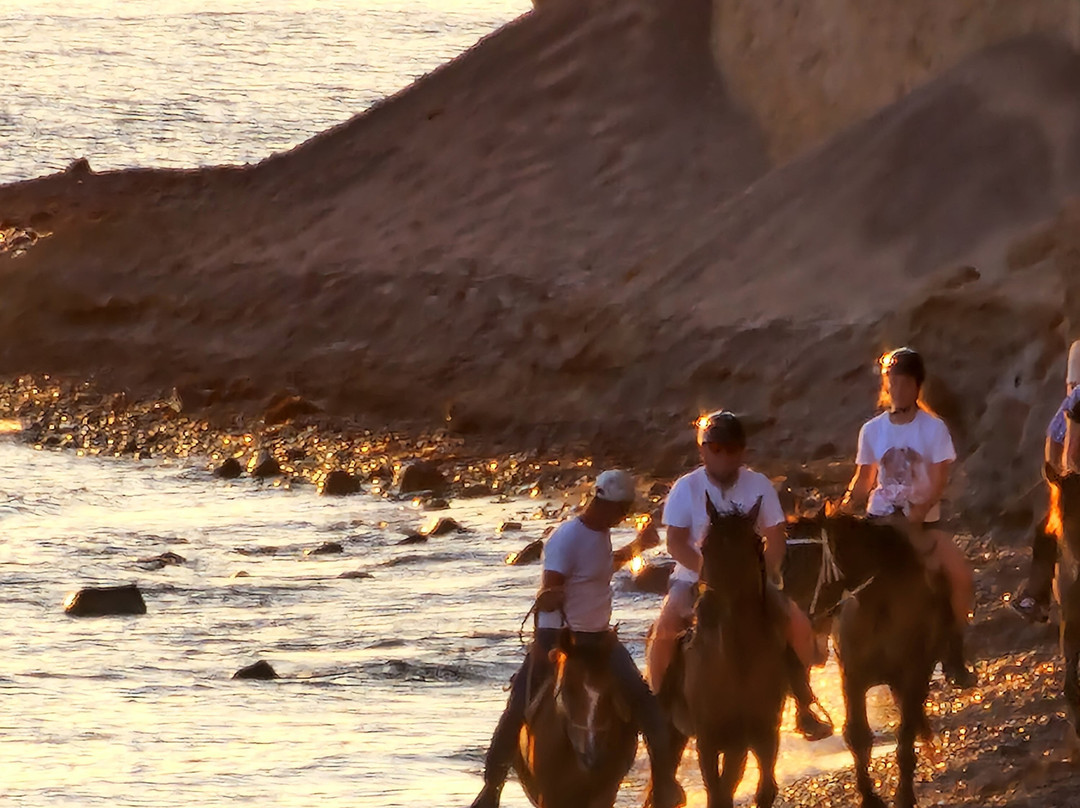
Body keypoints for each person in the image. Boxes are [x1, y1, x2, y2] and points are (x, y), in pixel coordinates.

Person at [469, 470, 686, 808]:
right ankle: (491, 789)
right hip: (560, 636)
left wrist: (638, 547)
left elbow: (602, 567)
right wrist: (549, 627)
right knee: (518, 708)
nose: (624, 516)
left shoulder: (602, 534)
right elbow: (549, 588)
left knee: (647, 706)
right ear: (603, 503)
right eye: (622, 509)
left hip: (600, 639)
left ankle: (663, 788)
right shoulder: (566, 537)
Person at [646, 411, 834, 742]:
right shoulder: (685, 488)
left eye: (730, 449)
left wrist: (766, 575)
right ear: (703, 450)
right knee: (664, 632)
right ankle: (659, 709)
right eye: (715, 448)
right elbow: (675, 542)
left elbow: (775, 538)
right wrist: (710, 574)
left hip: (751, 582)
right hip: (694, 578)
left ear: (742, 451)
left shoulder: (758, 485)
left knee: (799, 626)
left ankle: (804, 707)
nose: (723, 455)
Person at [839, 347, 976, 686]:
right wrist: (842, 507)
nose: (898, 388)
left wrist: (918, 510)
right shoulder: (872, 430)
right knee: (836, 572)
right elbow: (864, 481)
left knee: (959, 576)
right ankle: (830, 644)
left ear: (917, 386)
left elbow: (938, 480)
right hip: (879, 521)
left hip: (921, 522)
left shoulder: (933, 429)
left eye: (905, 382)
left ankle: (953, 654)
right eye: (893, 382)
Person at [1012, 339, 1080, 622]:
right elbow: (1054, 439)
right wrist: (1058, 476)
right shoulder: (1074, 402)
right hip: (1076, 483)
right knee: (1048, 529)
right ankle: (1036, 594)